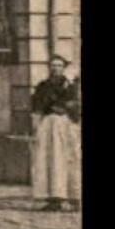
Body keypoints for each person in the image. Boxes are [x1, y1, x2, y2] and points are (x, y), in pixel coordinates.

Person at [30, 54, 81, 212]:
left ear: (63, 68)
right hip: (48, 125)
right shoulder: (42, 86)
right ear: (49, 68)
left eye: (59, 65)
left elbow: (74, 105)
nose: (56, 68)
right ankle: (53, 199)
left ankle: (74, 198)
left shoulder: (71, 86)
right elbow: (37, 105)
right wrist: (36, 125)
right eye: (53, 65)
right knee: (49, 160)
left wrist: (65, 107)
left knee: (68, 159)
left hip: (65, 124)